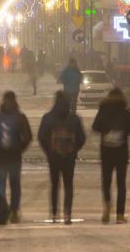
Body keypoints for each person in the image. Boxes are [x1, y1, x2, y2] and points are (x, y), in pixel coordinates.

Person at [0, 92, 32, 225]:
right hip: (15, 157)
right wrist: (19, 148)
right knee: (15, 184)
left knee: (0, 184)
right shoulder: (20, 117)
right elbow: (28, 137)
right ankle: (14, 211)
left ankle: (2, 208)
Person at [38, 91, 86, 224]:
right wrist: (74, 150)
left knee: (54, 184)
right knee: (68, 184)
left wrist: (48, 150)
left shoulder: (48, 117)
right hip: (69, 156)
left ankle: (54, 213)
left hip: (53, 156)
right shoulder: (74, 118)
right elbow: (82, 138)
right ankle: (67, 213)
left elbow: (41, 136)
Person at [92, 88, 130, 224]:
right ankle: (119, 214)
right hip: (121, 152)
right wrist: (122, 131)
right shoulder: (125, 112)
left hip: (106, 151)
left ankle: (107, 206)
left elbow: (95, 127)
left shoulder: (103, 111)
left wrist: (107, 131)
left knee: (106, 181)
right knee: (121, 183)